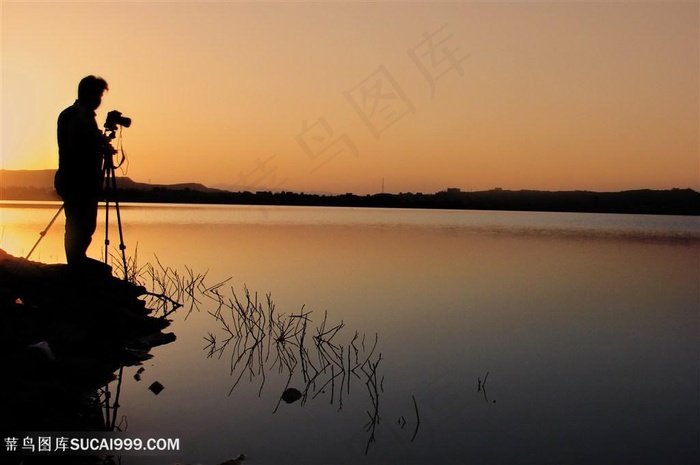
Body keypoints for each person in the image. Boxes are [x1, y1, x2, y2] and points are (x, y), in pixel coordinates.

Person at [54, 75, 109, 267]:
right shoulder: (74, 116)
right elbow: (76, 148)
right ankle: (75, 265)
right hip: (77, 181)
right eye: (98, 95)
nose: (99, 100)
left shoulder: (83, 117)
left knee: (86, 226)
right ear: (88, 94)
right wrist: (97, 144)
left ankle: (77, 262)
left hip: (84, 182)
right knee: (78, 225)